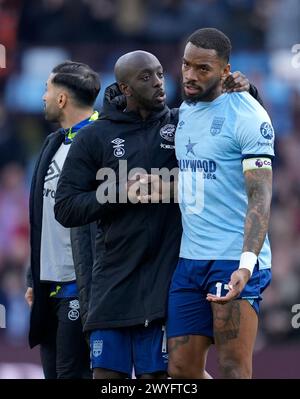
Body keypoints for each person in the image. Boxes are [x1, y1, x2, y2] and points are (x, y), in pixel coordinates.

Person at [54, 51, 262, 379]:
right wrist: (119, 192)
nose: (158, 84)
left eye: (161, 74)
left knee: (162, 379)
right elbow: (65, 207)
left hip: (166, 283)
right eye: (146, 77)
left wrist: (248, 92)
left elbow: (243, 135)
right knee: (107, 380)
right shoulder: (94, 137)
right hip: (114, 283)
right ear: (124, 88)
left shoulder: (184, 123)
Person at [165, 28, 274, 379]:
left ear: (226, 71)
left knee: (232, 367)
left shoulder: (248, 115)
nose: (191, 75)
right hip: (189, 260)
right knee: (180, 369)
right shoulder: (183, 111)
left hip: (232, 258)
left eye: (203, 68)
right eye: (186, 65)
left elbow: (260, 195)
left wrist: (245, 265)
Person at [25, 61, 100, 379]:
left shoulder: (103, 142)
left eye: (47, 88)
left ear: (62, 99)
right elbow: (41, 217)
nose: (43, 96)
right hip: (49, 287)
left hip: (81, 288)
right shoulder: (53, 142)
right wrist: (34, 274)